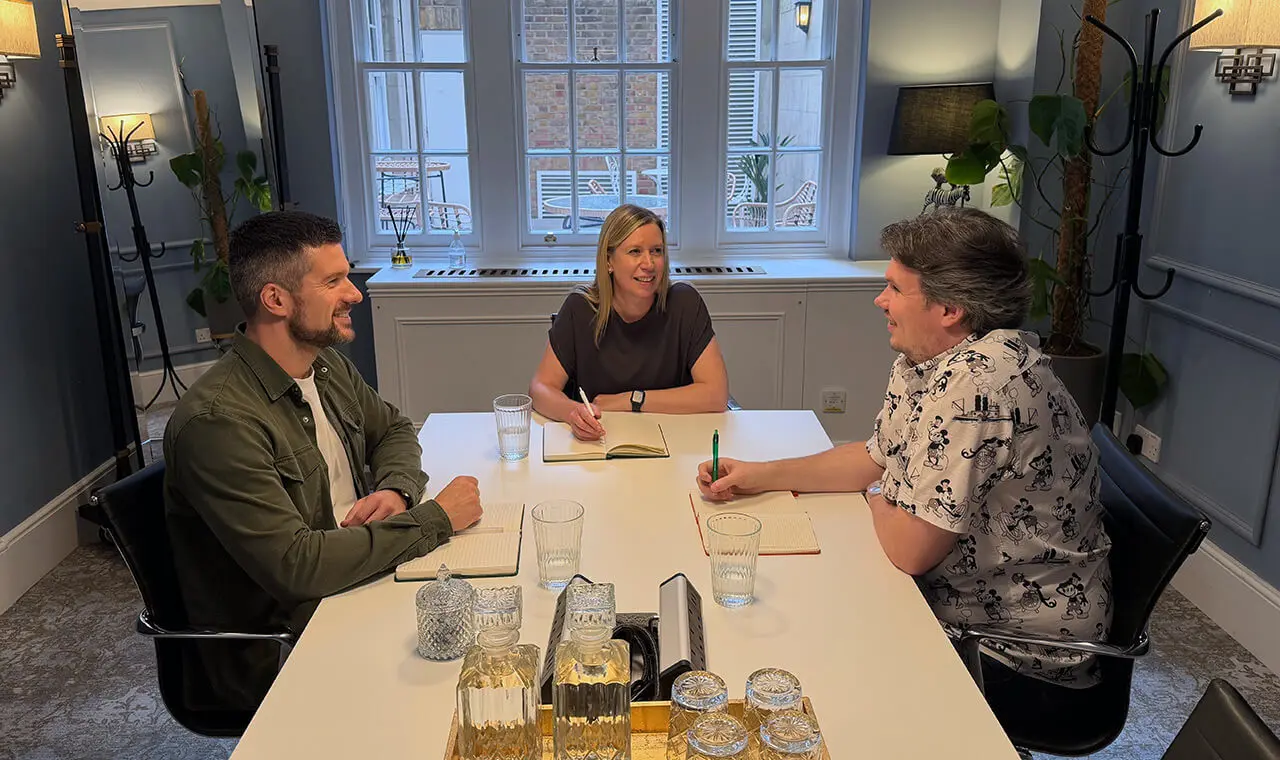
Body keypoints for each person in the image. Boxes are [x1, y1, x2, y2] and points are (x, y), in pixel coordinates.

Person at [696, 208, 1113, 690]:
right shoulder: (927, 359)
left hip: (1014, 651)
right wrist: (758, 474)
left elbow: (909, 549)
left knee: (806, 647)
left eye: (895, 288)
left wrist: (880, 491)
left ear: (950, 309)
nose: (880, 300)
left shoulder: (978, 384)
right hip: (953, 602)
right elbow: (875, 457)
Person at [164, 210, 483, 710]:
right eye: (333, 282)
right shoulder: (219, 422)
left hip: (353, 580)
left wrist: (396, 490)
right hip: (288, 641)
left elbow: (393, 429)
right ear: (275, 299)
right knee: (470, 666)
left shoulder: (325, 363)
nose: (355, 293)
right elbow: (297, 567)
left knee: (493, 618)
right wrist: (435, 518)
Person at [530, 203, 730, 440]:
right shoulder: (580, 308)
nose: (649, 264)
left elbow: (716, 394)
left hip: (674, 441)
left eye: (656, 251)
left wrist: (632, 400)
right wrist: (574, 413)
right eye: (635, 251)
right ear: (609, 261)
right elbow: (540, 388)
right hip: (598, 444)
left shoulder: (684, 303)